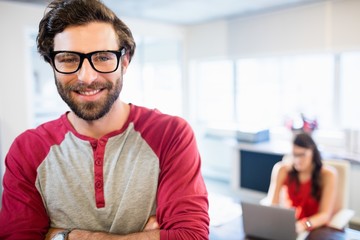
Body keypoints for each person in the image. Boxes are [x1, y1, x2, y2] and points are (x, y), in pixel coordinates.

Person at [0, 0, 209, 239]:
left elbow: (191, 236)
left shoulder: (171, 134)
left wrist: (66, 236)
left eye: (102, 57)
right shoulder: (27, 150)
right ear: (52, 65)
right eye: (68, 59)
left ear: (125, 61)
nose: (87, 77)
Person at [266, 132, 337, 233]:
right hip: (291, 225)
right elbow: (273, 204)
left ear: (313, 152)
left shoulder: (328, 175)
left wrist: (304, 225)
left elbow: (325, 215)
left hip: (315, 228)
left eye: (302, 155)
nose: (298, 160)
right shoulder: (282, 170)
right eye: (295, 155)